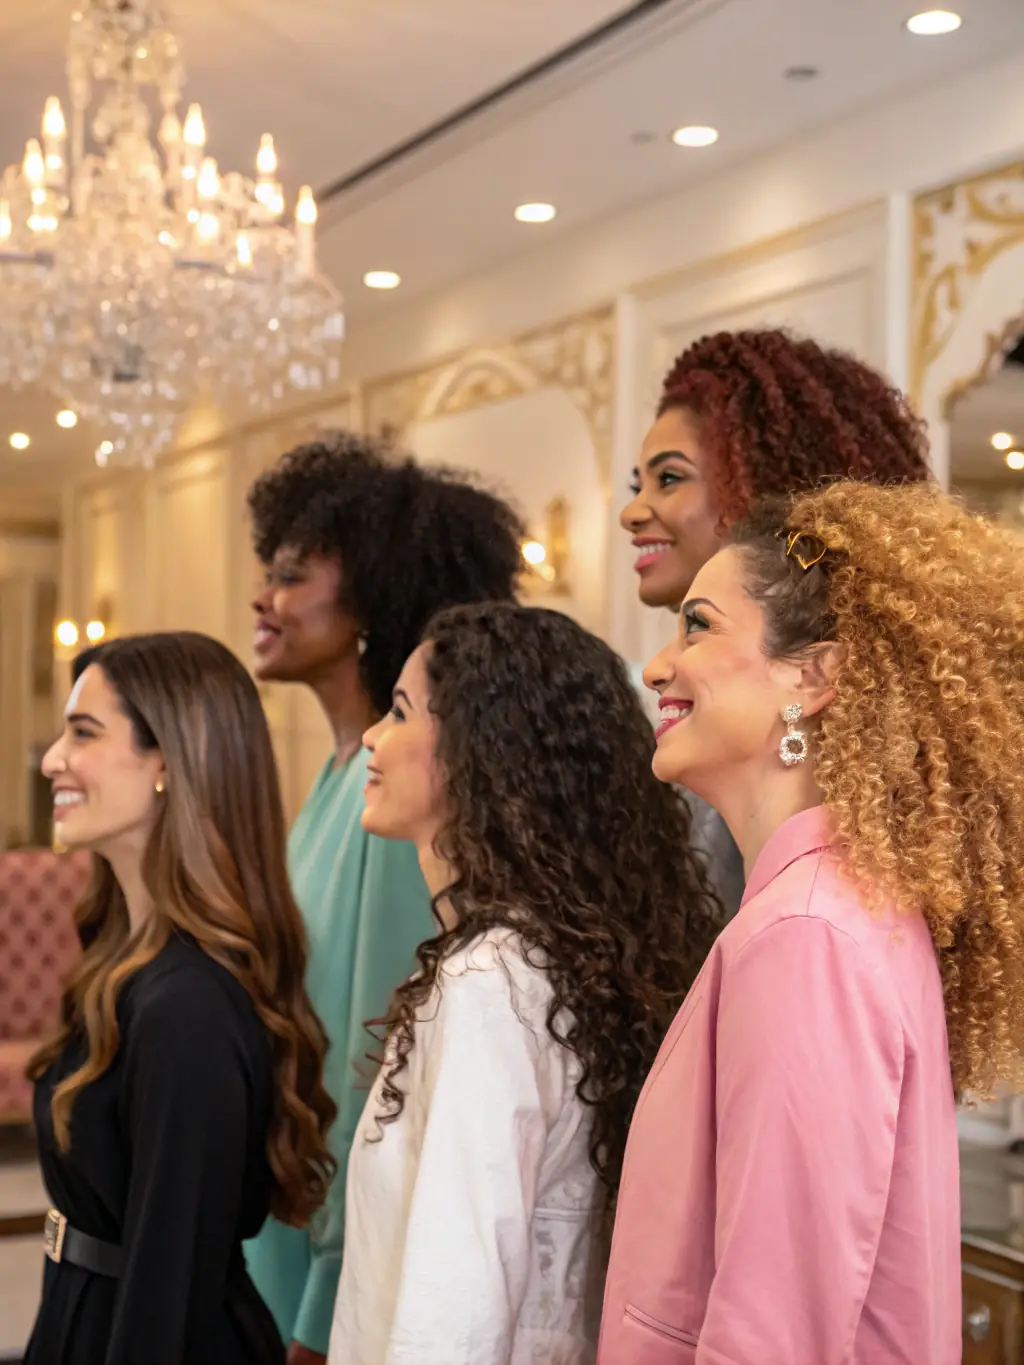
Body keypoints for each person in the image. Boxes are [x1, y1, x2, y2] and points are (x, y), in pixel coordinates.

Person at [599, 481, 1024, 1365]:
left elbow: (772, 1339)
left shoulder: (809, 936)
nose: (657, 665)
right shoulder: (836, 907)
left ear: (816, 676)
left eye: (699, 626)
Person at [327, 602, 721, 1365]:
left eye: (402, 712)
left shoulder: (490, 983)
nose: (375, 737)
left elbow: (455, 1312)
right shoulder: (544, 961)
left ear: (482, 751)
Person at [244, 433, 526, 1365]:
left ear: (369, 598)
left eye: (289, 576)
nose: (262, 597)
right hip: (285, 1207)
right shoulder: (338, 778)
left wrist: (324, 1306)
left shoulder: (392, 806)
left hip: (333, 1261)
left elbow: (379, 1064)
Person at [25, 632, 336, 1365]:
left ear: (167, 760)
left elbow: (168, 1300)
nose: (51, 760)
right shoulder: (123, 966)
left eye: (84, 732)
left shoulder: (186, 1009)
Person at [620, 327, 933, 915]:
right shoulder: (703, 733)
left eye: (668, 478)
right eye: (638, 484)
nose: (631, 511)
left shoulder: (835, 813)